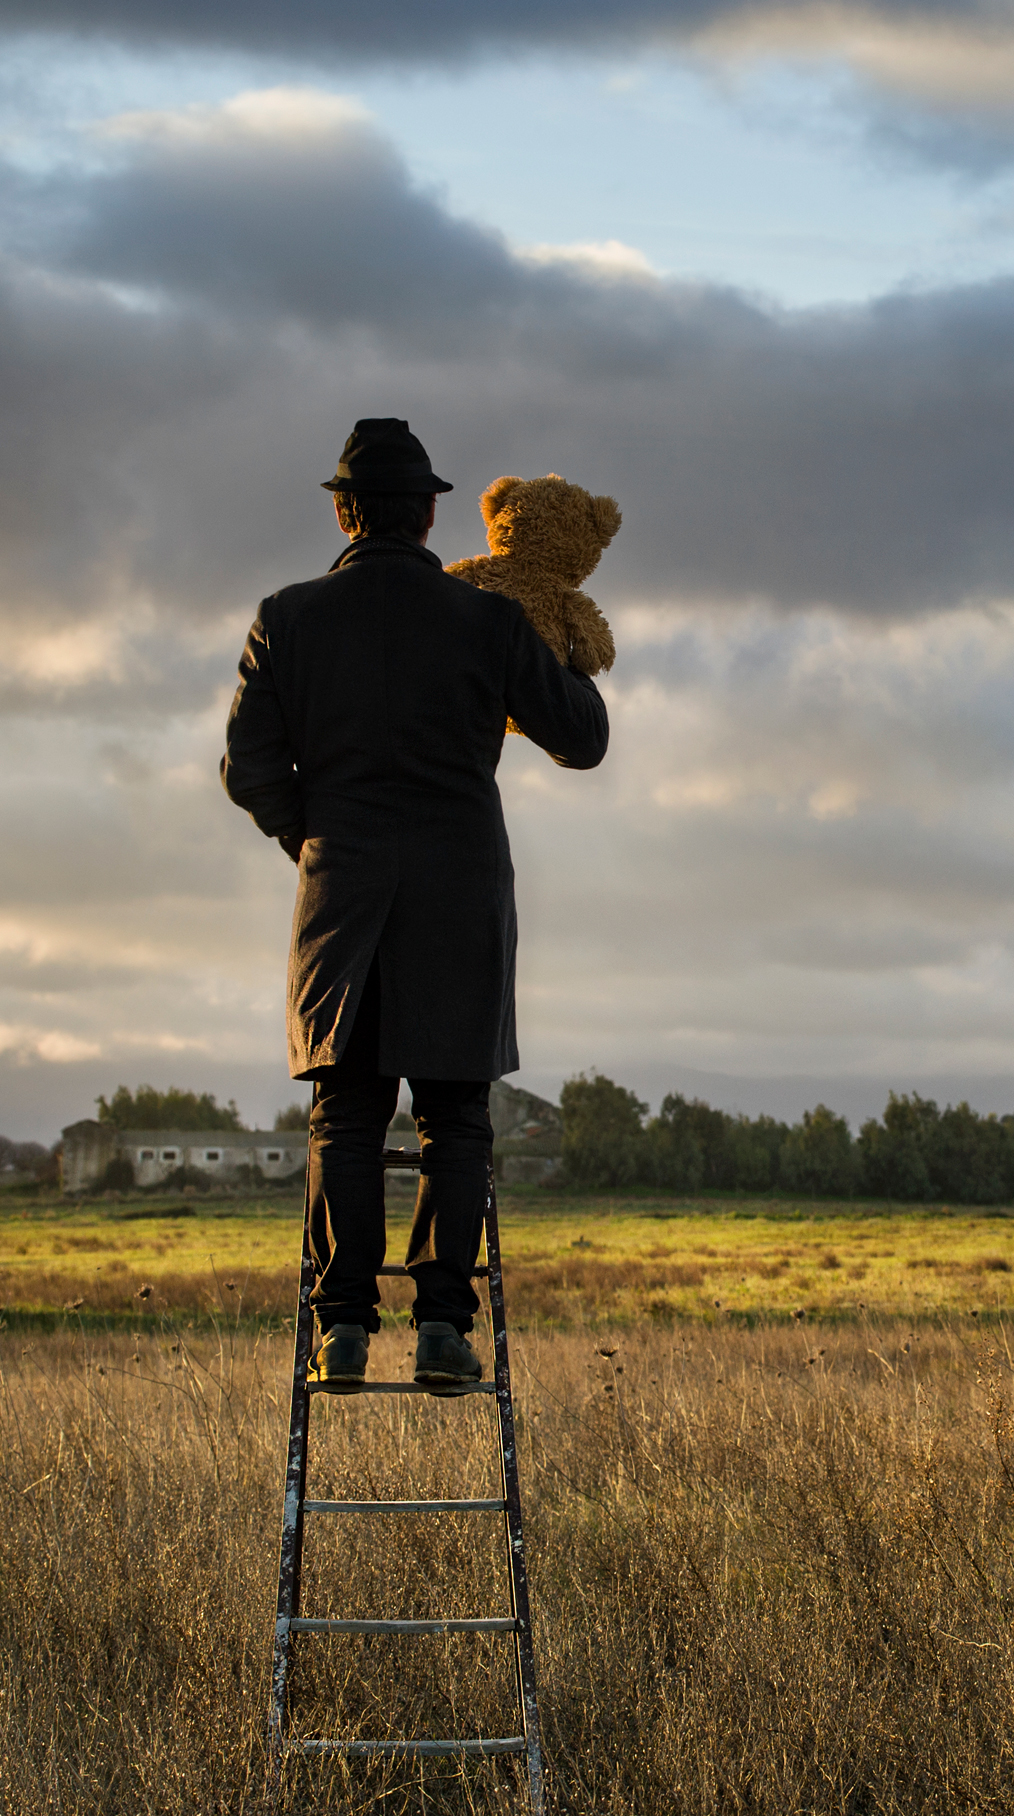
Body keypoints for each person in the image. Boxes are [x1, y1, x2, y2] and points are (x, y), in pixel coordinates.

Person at [221, 418, 609, 1392]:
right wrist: (556, 621)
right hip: (461, 894)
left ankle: (341, 1330)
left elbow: (249, 768)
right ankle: (444, 1326)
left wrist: (320, 842)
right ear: (434, 514)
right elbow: (584, 738)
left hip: (339, 897)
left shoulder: (287, 617)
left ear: (343, 510)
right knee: (456, 1120)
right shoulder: (487, 622)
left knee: (344, 1118)